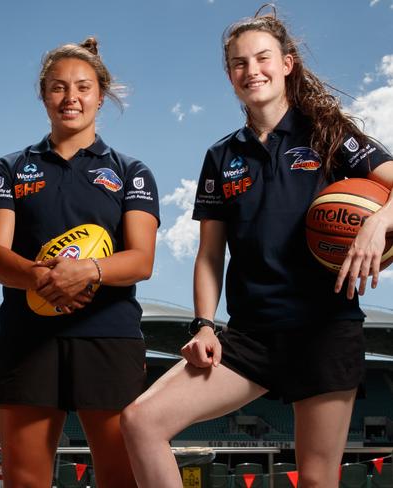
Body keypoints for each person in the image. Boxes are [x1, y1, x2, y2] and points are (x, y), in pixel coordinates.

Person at [121, 6, 393, 487]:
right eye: (239, 63)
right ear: (229, 75)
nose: (252, 71)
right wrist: (205, 324)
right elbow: (209, 255)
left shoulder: (329, 135)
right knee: (141, 421)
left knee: (314, 480)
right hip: (249, 338)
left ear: (287, 63)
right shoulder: (221, 156)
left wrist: (377, 223)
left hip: (324, 329)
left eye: (262, 58)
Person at [0, 37, 160, 488]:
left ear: (101, 95)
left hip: (109, 335)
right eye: (58, 87)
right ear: (44, 95)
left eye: (82, 87)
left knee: (120, 476)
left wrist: (89, 270)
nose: (71, 98)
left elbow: (141, 260)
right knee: (24, 479)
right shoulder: (8, 168)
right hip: (28, 336)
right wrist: (41, 277)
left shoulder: (131, 171)